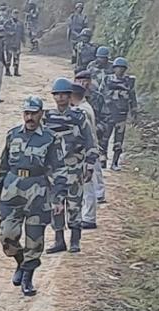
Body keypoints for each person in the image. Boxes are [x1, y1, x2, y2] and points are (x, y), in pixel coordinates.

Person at [0, 97, 65, 297]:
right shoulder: (13, 135)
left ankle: (28, 277)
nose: (30, 117)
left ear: (41, 114)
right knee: (6, 234)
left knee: (35, 238)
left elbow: (59, 169)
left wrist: (58, 197)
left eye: (34, 113)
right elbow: (3, 165)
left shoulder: (50, 138)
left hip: (38, 191)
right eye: (27, 113)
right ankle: (20, 262)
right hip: (12, 188)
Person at [44, 78, 97, 254]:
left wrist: (90, 165)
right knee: (56, 204)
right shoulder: (47, 118)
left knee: (75, 204)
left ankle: (75, 240)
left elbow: (90, 141)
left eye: (63, 94)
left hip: (75, 168)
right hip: (54, 170)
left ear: (69, 96)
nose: (60, 98)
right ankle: (59, 240)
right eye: (57, 95)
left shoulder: (78, 117)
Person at [71, 80, 104, 231]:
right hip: (90, 151)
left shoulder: (82, 111)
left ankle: (89, 217)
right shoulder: (85, 107)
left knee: (87, 185)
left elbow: (85, 135)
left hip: (86, 152)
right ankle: (88, 216)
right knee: (89, 183)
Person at [104, 57, 137, 171]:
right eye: (118, 68)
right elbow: (101, 95)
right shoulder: (107, 80)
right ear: (114, 69)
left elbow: (132, 97)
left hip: (122, 115)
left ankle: (115, 162)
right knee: (104, 138)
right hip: (108, 114)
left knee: (119, 141)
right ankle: (103, 160)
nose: (120, 70)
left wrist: (134, 111)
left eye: (122, 68)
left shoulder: (128, 82)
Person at [3, 9, 23, 76]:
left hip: (17, 43)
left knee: (16, 58)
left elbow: (22, 33)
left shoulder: (20, 23)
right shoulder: (7, 23)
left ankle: (16, 71)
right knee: (8, 57)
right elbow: (3, 31)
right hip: (9, 43)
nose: (16, 15)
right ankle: (7, 71)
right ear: (12, 14)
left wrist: (24, 41)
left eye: (17, 13)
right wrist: (9, 33)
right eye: (14, 13)